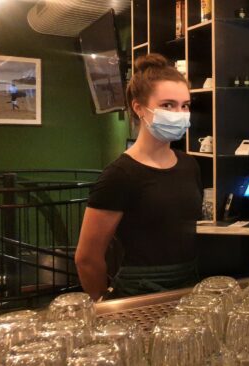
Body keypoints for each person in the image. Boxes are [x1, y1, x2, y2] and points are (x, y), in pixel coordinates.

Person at [75, 54, 203, 300]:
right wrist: (103, 307)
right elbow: (87, 258)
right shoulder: (120, 175)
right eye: (168, 105)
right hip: (139, 295)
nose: (179, 113)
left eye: (184, 105)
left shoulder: (189, 165)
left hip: (189, 290)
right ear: (138, 107)